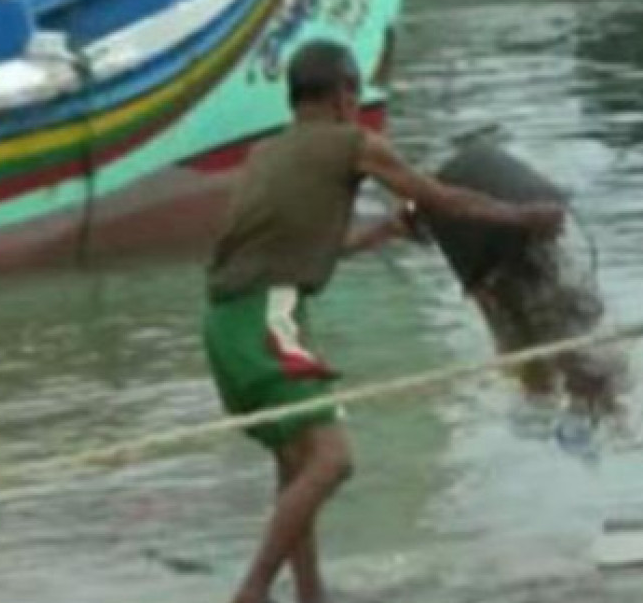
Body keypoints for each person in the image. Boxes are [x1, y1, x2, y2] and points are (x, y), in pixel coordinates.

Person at [203, 39, 563, 603]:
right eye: (355, 94)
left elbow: (309, 248)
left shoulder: (266, 155)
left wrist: (386, 231)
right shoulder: (353, 143)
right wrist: (524, 216)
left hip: (226, 325)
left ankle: (309, 594)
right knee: (332, 461)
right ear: (344, 96)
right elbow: (442, 199)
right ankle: (251, 593)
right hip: (268, 318)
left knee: (296, 468)